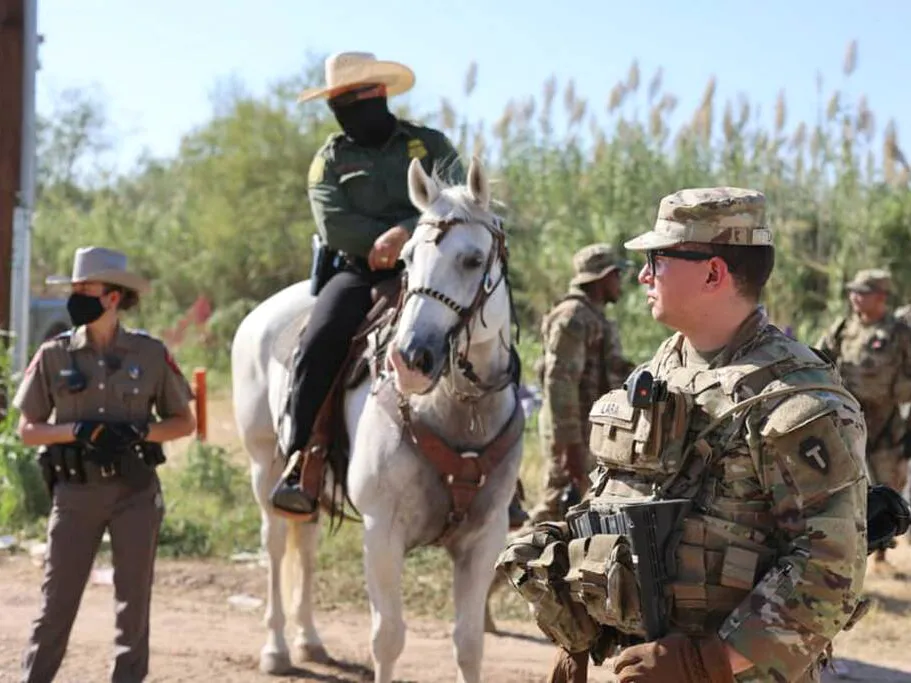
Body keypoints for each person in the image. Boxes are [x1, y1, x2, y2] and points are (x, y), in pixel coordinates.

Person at [498, 188, 870, 683]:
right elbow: (622, 500)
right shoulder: (666, 367)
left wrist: (710, 661)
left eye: (657, 259)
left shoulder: (795, 398)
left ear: (714, 272)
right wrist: (582, 626)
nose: (644, 275)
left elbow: (831, 568)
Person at [270, 51, 529, 528]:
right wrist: (379, 241)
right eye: (340, 101)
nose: (348, 108)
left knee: (492, 330)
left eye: (355, 97)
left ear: (379, 94)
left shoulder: (428, 144)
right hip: (361, 273)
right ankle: (300, 459)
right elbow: (333, 223)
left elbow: (463, 206)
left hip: (438, 268)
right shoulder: (329, 161)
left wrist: (409, 230)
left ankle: (507, 480)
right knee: (319, 338)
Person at [13, 246, 196, 682]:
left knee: (132, 612)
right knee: (55, 607)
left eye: (85, 289)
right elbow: (28, 429)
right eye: (73, 289)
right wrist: (75, 430)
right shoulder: (54, 353)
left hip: (135, 495)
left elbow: (183, 421)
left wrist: (139, 432)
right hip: (76, 497)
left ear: (113, 297)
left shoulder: (150, 354)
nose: (76, 297)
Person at [527, 243, 634, 524]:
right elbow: (559, 383)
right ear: (603, 277)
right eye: (617, 275)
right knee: (555, 507)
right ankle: (512, 562)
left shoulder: (592, 316)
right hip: (572, 434)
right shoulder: (573, 317)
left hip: (588, 431)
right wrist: (570, 445)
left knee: (579, 510)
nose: (620, 282)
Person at [816, 268, 911, 571]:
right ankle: (849, 550)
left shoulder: (899, 333)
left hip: (886, 425)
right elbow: (819, 360)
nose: (854, 297)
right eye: (853, 290)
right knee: (845, 486)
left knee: (889, 485)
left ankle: (882, 553)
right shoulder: (842, 328)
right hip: (846, 420)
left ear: (881, 297)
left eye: (863, 291)